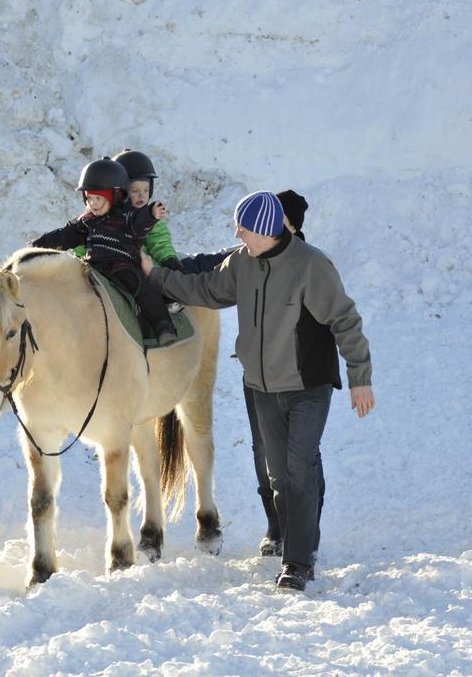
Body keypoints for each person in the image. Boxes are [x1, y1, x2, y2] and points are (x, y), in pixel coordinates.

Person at [142, 191, 375, 592]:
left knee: (299, 468)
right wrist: (153, 275)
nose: (237, 234)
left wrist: (361, 378)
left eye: (244, 228)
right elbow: (204, 289)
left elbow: (345, 320)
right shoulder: (241, 263)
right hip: (261, 387)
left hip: (307, 386)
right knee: (279, 473)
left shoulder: (312, 266)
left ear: (267, 231)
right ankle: (297, 540)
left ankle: (298, 563)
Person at [178, 191, 325, 560]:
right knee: (265, 455)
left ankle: (304, 537)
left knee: (301, 461)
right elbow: (208, 267)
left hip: (302, 379)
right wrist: (168, 266)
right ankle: (277, 528)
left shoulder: (307, 265)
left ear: (291, 225)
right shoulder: (249, 259)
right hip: (259, 379)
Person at [31, 156, 178, 345]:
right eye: (89, 198)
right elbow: (66, 235)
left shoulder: (127, 217)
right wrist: (38, 246)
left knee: (142, 287)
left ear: (115, 196)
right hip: (93, 265)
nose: (93, 203)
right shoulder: (88, 220)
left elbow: (140, 222)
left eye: (98, 198)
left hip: (122, 266)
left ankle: (163, 326)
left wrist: (150, 214)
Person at [71, 150, 185, 274]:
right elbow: (83, 240)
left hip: (138, 270)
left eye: (146, 190)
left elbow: (159, 242)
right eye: (135, 191)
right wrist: (76, 260)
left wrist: (168, 259)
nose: (141, 196)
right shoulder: (97, 216)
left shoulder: (149, 218)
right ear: (119, 192)